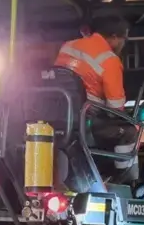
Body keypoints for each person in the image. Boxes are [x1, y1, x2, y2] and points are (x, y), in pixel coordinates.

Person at [55, 16, 139, 184]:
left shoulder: (68, 46)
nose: (124, 44)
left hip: (57, 115)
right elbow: (116, 109)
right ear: (114, 37)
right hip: (86, 121)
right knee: (129, 131)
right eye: (124, 39)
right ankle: (126, 180)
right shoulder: (109, 60)